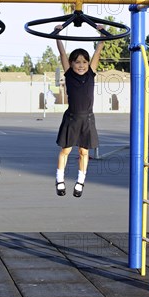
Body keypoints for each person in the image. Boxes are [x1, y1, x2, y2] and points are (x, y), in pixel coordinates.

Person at [54, 25, 105, 198]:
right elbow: (62, 54)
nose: (81, 65)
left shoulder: (91, 73)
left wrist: (101, 33)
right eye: (77, 62)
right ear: (72, 63)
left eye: (84, 61)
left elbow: (98, 51)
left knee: (84, 152)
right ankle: (59, 179)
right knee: (66, 150)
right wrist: (57, 35)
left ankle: (80, 181)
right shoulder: (69, 74)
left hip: (87, 119)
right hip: (72, 118)